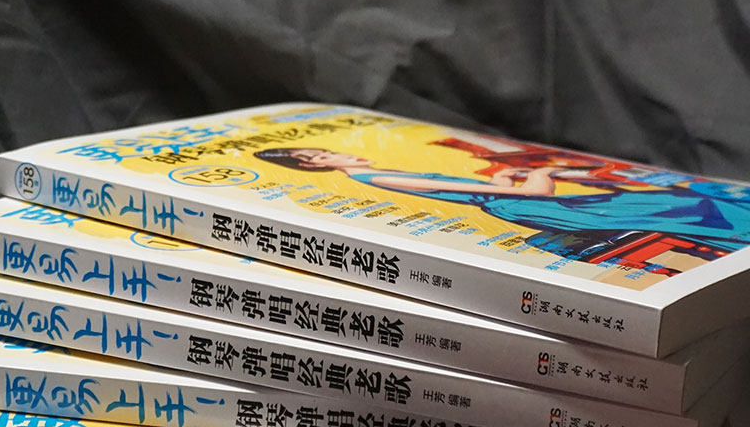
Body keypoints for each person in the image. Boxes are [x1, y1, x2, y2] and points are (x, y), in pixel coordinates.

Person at [253, 147, 750, 253]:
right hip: (532, 207)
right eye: (322, 157)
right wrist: (542, 172)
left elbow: (499, 184)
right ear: (312, 167)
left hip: (518, 200)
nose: (337, 153)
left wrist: (517, 174)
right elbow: (529, 192)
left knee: (675, 200)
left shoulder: (381, 170)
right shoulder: (380, 176)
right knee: (689, 207)